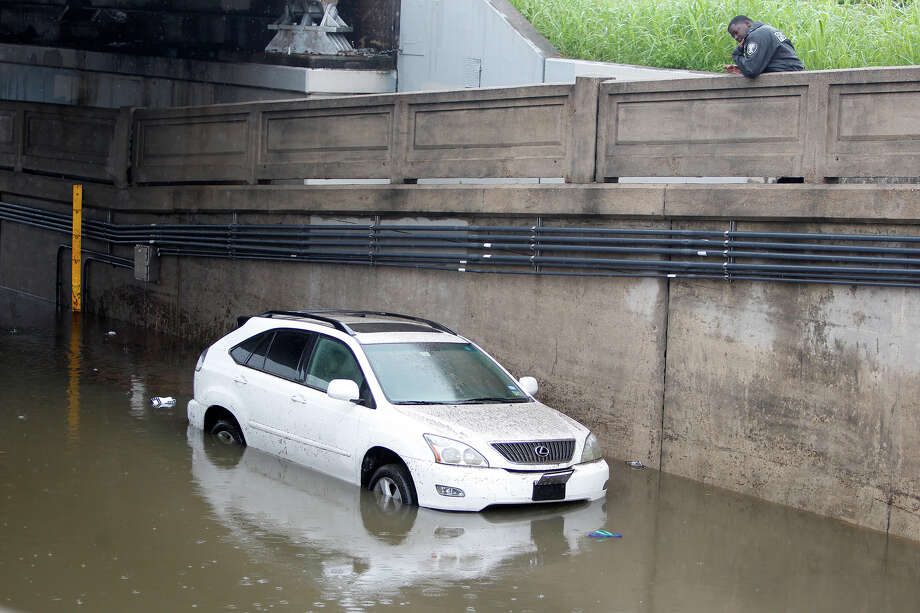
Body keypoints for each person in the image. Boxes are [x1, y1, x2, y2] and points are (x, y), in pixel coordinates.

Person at [723, 15, 804, 77]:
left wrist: (736, 54)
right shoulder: (767, 30)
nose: (736, 37)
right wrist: (741, 68)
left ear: (747, 23)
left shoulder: (756, 35)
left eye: (736, 32)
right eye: (733, 36)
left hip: (788, 78)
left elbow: (751, 70)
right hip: (794, 73)